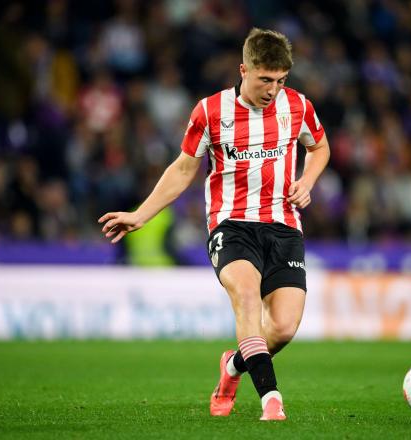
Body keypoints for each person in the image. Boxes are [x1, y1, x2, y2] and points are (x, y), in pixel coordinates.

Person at [99, 28, 330, 421]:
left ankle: (232, 367)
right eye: (264, 80)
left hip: (283, 226)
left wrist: (306, 181)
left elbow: (319, 146)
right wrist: (140, 214)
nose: (272, 90)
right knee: (246, 298)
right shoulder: (210, 112)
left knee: (285, 328)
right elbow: (184, 167)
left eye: (280, 81)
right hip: (231, 225)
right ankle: (271, 401)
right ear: (244, 69)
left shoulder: (298, 107)